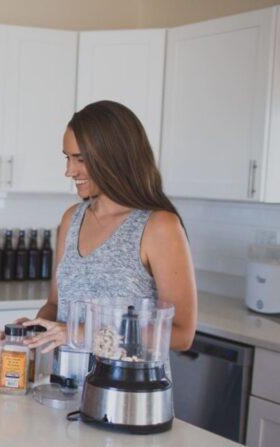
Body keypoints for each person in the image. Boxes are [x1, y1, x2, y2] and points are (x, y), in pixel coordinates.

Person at [18, 101, 196, 352]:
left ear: (115, 157)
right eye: (67, 158)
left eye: (80, 159)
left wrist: (82, 334)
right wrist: (33, 331)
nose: (69, 171)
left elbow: (181, 334)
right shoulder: (72, 219)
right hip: (65, 383)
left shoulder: (158, 226)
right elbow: (56, 306)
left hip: (124, 388)